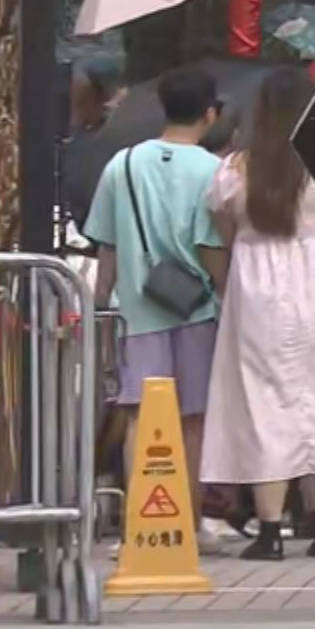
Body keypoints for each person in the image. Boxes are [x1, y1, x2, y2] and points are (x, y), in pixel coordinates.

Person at [199, 68, 315, 562]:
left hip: (258, 288)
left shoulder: (237, 168)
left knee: (265, 406)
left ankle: (271, 530)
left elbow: (223, 229)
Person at [84, 65, 225, 545]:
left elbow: (106, 243)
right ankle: (186, 522)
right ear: (210, 114)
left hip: (138, 310)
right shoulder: (212, 170)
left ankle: (142, 524)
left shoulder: (121, 166)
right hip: (197, 308)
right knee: (192, 419)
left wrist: (99, 300)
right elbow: (213, 244)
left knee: (139, 415)